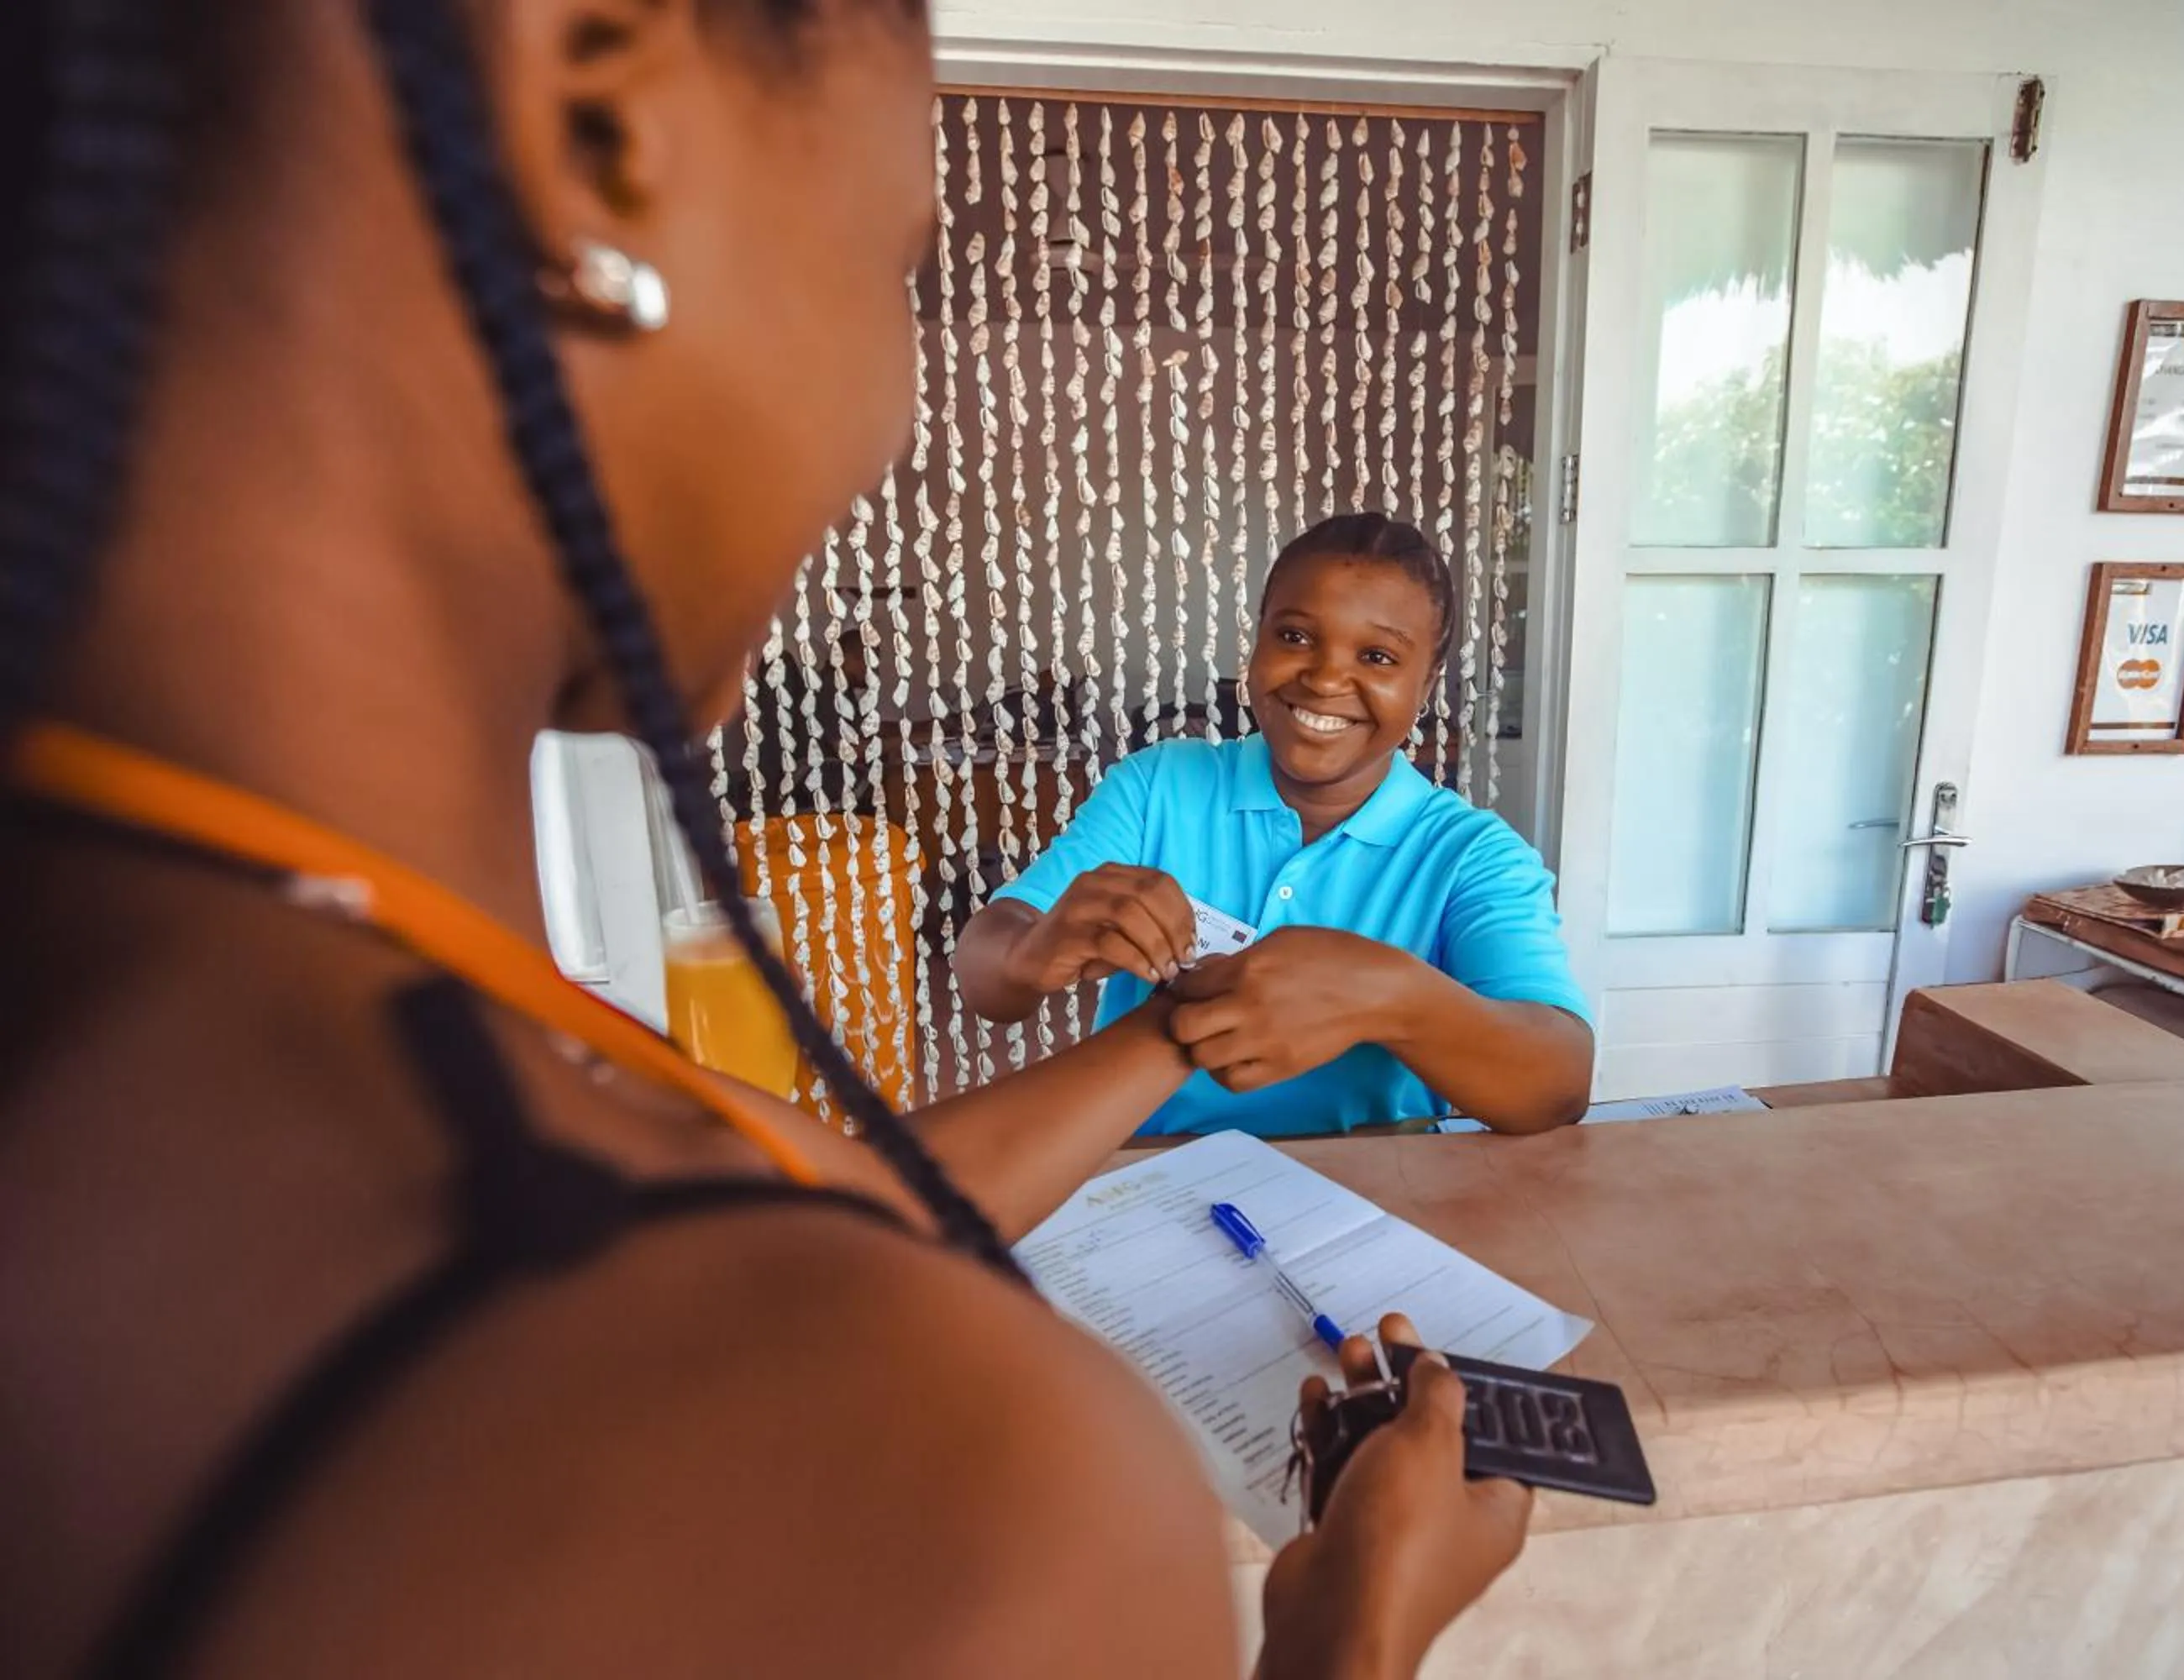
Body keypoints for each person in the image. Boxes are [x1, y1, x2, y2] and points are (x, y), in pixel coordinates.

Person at [0, 3, 1532, 1677]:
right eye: (897, 262)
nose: (885, 410)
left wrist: (1187, 1018)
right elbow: (955, 1004)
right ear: (598, 116)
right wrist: (1350, 1634)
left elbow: (850, 1181)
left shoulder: (220, 998)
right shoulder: (975, 1499)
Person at [955, 513, 1596, 1137]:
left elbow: (1559, 1083)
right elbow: (985, 976)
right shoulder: (1159, 787)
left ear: (1425, 685)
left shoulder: (1471, 855)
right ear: (1256, 641)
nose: (1323, 678)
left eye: (1377, 655)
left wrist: (1391, 994)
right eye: (1294, 637)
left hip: (1379, 1186)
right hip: (1153, 1176)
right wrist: (1032, 953)